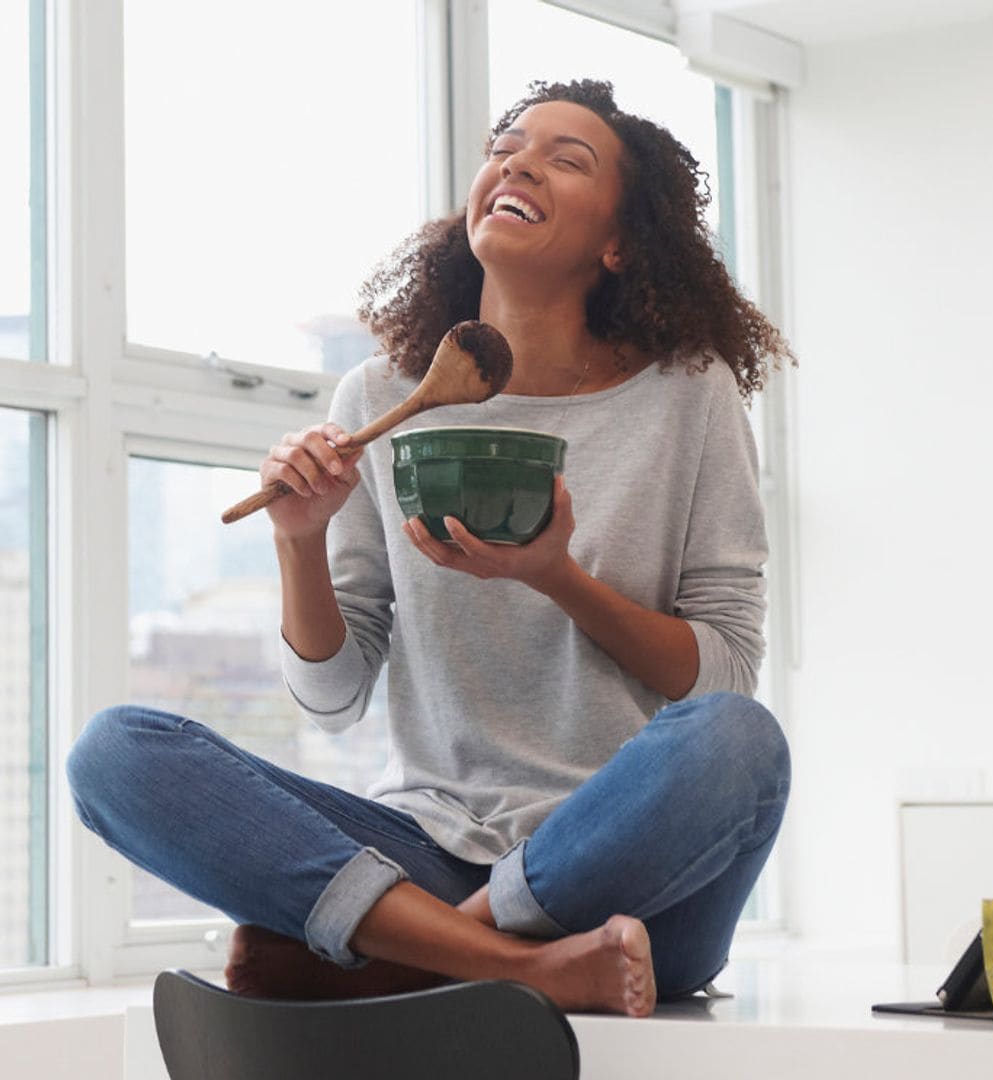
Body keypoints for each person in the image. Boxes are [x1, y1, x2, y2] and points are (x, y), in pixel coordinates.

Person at [66, 78, 793, 1018]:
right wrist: (299, 540)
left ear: (618, 244)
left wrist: (555, 576)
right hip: (431, 844)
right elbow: (332, 696)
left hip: (634, 875)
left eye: (567, 159)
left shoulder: (689, 398)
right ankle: (524, 967)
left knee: (740, 743)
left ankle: (414, 951)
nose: (519, 160)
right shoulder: (378, 397)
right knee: (116, 754)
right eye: (508, 144)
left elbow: (724, 678)